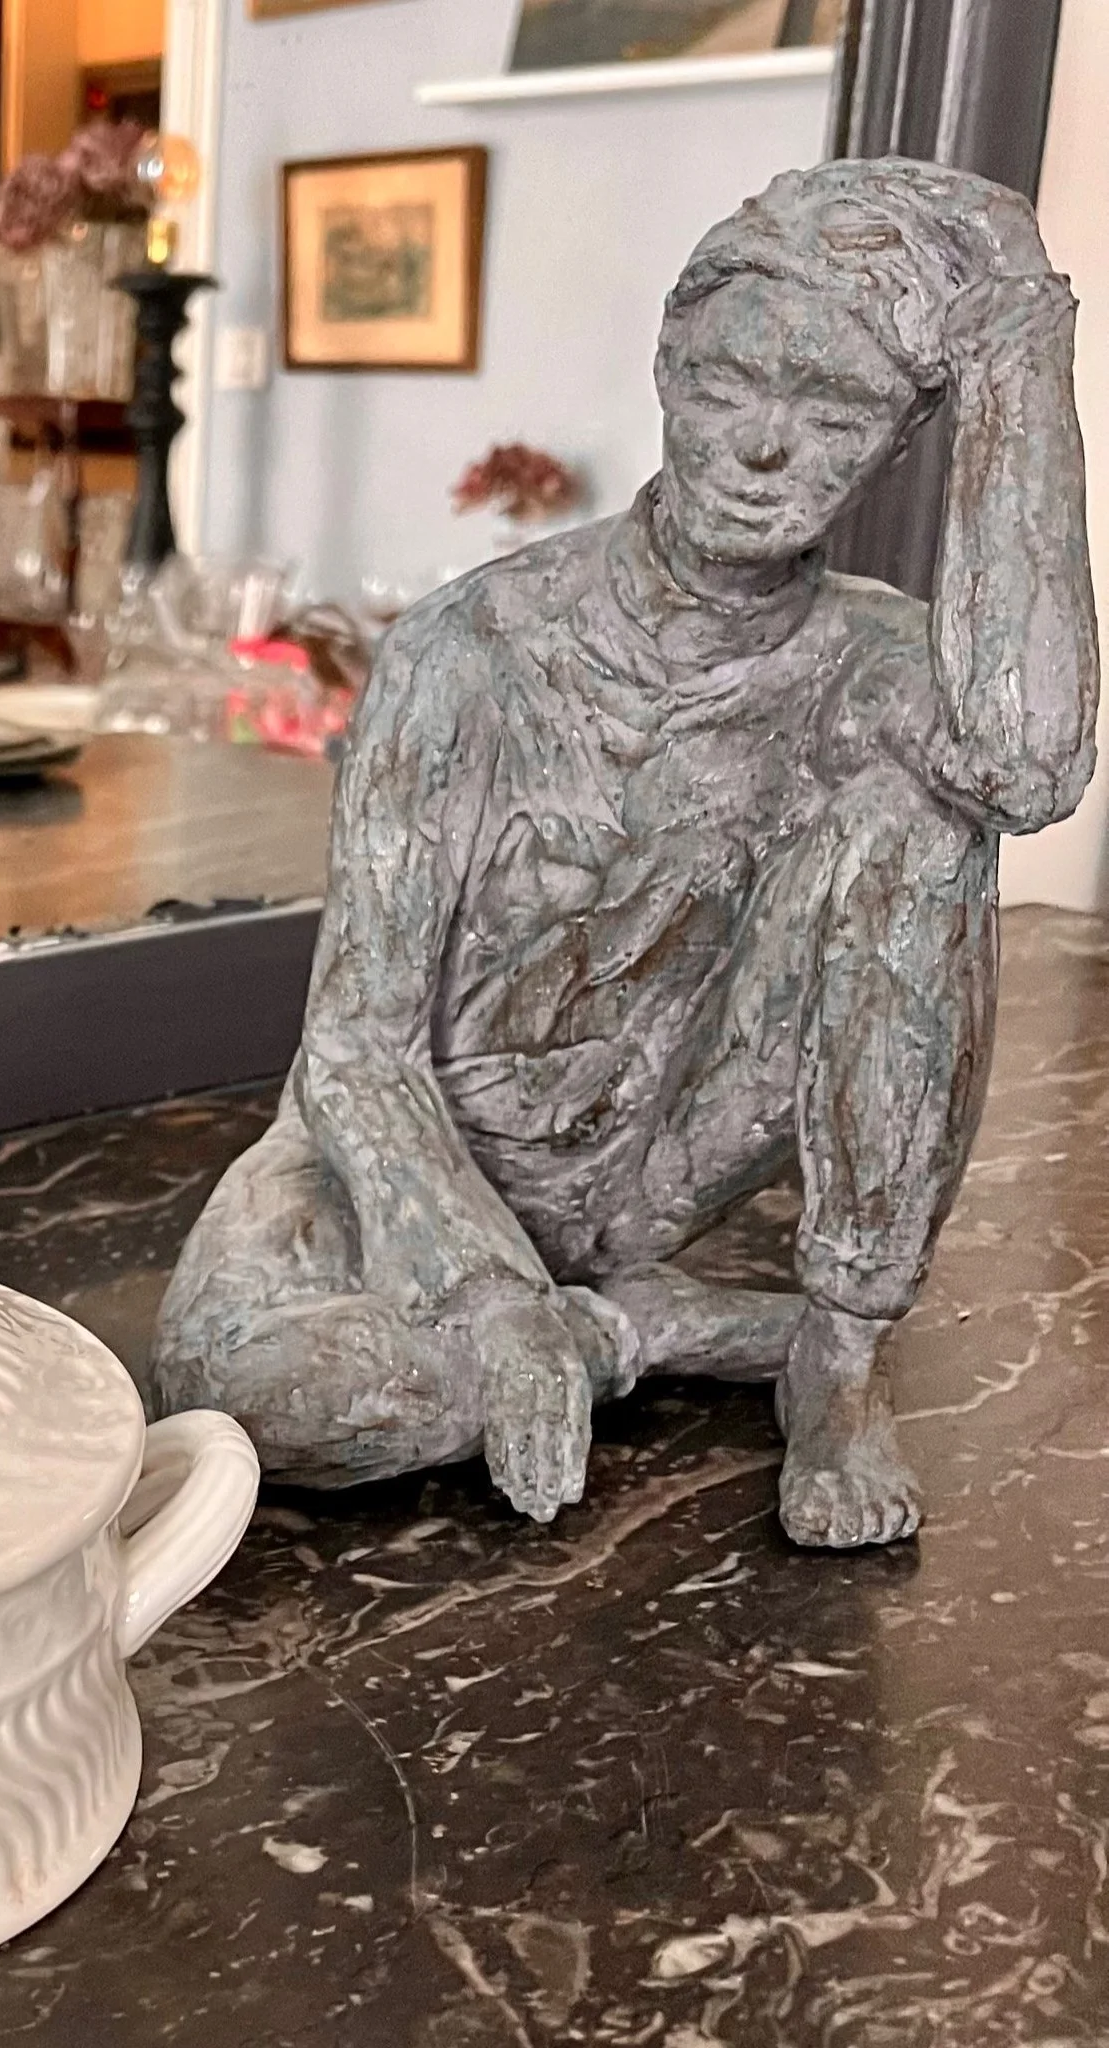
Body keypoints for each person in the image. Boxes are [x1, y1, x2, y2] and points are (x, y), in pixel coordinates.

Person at [152, 160, 1097, 1550]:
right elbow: (354, 1045)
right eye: (726, 384)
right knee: (256, 1400)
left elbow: (1027, 762)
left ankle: (834, 1353)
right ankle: (661, 1332)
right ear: (666, 364)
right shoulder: (469, 647)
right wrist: (491, 1298)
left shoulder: (871, 666)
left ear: (898, 439)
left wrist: (1019, 342)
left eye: (832, 412)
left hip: (662, 1160)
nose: (763, 445)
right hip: (416, 1168)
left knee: (924, 817)